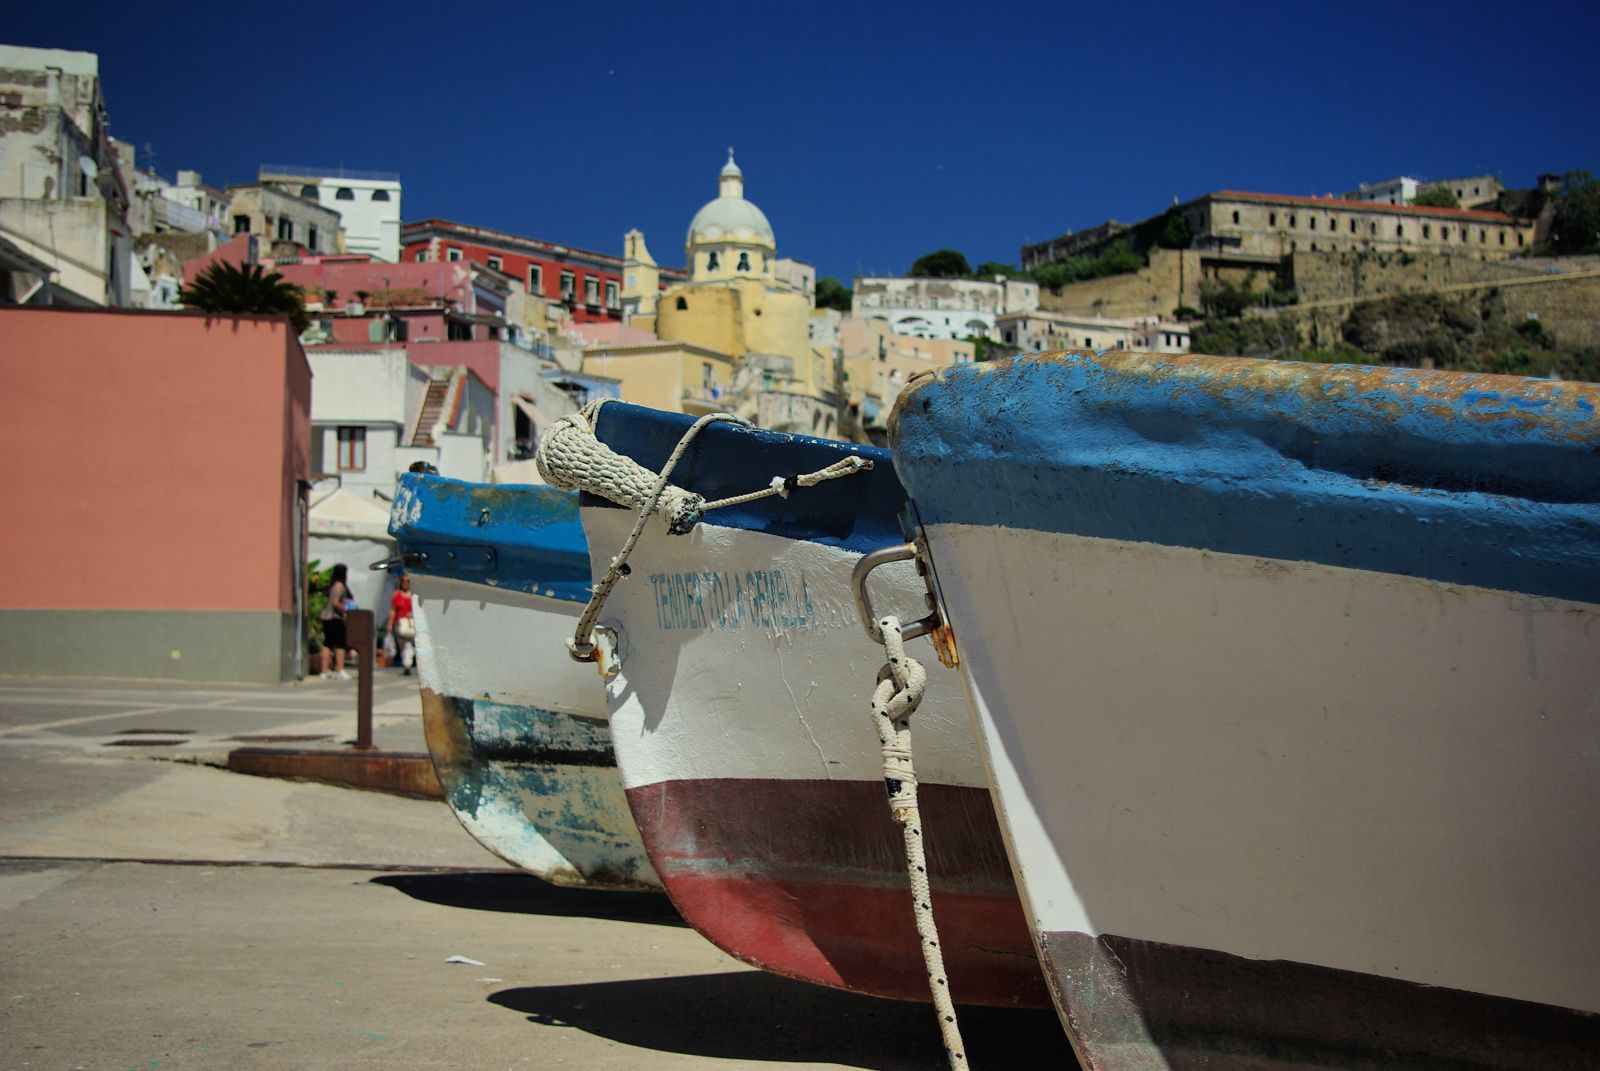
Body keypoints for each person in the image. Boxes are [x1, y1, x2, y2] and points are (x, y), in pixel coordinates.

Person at [319, 564, 353, 680]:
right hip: (335, 618)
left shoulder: (332, 585)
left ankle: (324, 671)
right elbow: (335, 602)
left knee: (327, 643)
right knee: (341, 644)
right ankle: (340, 669)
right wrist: (344, 611)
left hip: (326, 617)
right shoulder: (340, 586)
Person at [387, 573, 417, 675]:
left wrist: (412, 614)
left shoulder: (414, 595)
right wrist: (390, 624)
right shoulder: (396, 594)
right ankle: (407, 663)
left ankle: (407, 663)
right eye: (403, 581)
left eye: (408, 581)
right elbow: (392, 610)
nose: (405, 583)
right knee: (403, 645)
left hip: (411, 623)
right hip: (400, 623)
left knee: (408, 644)